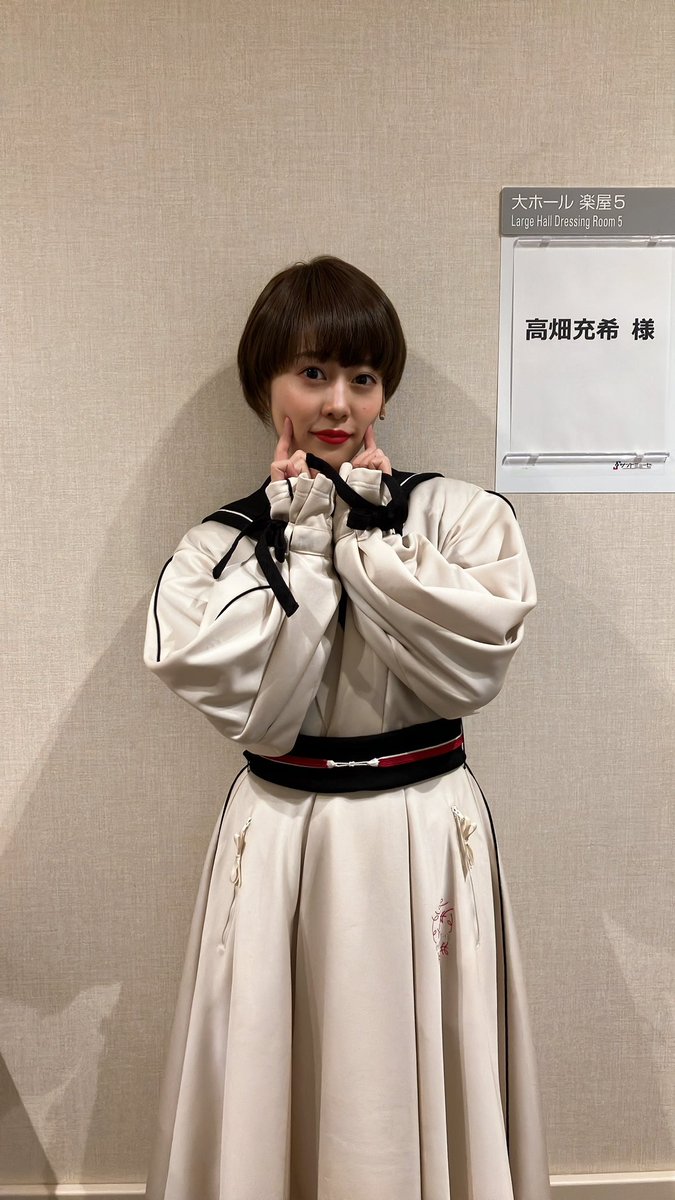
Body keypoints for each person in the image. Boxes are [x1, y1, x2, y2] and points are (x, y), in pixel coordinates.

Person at [142, 256, 550, 1200]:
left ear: (384, 393)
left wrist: (360, 538)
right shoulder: (219, 548)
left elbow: (472, 664)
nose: (338, 402)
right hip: (285, 832)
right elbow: (258, 708)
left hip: (424, 824)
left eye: (362, 377)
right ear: (266, 386)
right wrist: (301, 546)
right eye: (313, 372)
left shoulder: (458, 516)